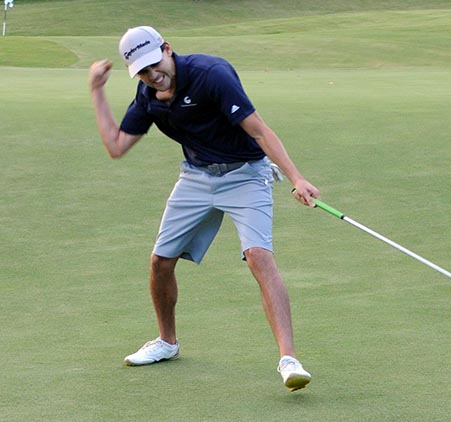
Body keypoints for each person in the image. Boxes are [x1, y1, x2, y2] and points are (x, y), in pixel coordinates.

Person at [88, 26, 319, 392]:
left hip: (246, 174)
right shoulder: (149, 94)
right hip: (196, 178)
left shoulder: (212, 74)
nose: (153, 75)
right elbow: (116, 145)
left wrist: (296, 178)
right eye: (144, 72)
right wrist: (97, 92)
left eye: (155, 64)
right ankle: (167, 343)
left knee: (259, 256)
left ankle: (289, 360)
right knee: (160, 261)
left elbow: (259, 130)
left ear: (167, 48)